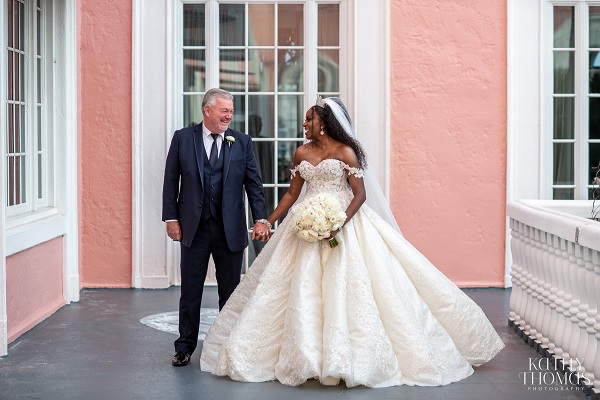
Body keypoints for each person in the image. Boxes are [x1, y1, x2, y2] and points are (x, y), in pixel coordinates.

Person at [199, 96, 505, 387]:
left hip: (344, 224)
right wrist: (269, 219)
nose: (304, 125)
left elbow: (360, 194)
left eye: (309, 119)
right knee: (294, 290)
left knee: (353, 289)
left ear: (324, 122)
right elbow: (293, 194)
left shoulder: (346, 152)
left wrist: (338, 222)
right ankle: (303, 357)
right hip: (304, 225)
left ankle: (343, 357)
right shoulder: (301, 153)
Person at [162, 88, 271, 367]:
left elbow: (253, 184)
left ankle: (228, 343)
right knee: (190, 290)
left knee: (231, 291)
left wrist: (261, 218)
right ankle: (185, 347)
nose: (229, 116)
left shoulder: (242, 142)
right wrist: (171, 218)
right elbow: (170, 180)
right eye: (224, 110)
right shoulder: (183, 138)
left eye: (231, 112)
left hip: (230, 229)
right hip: (193, 229)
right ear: (207, 110)